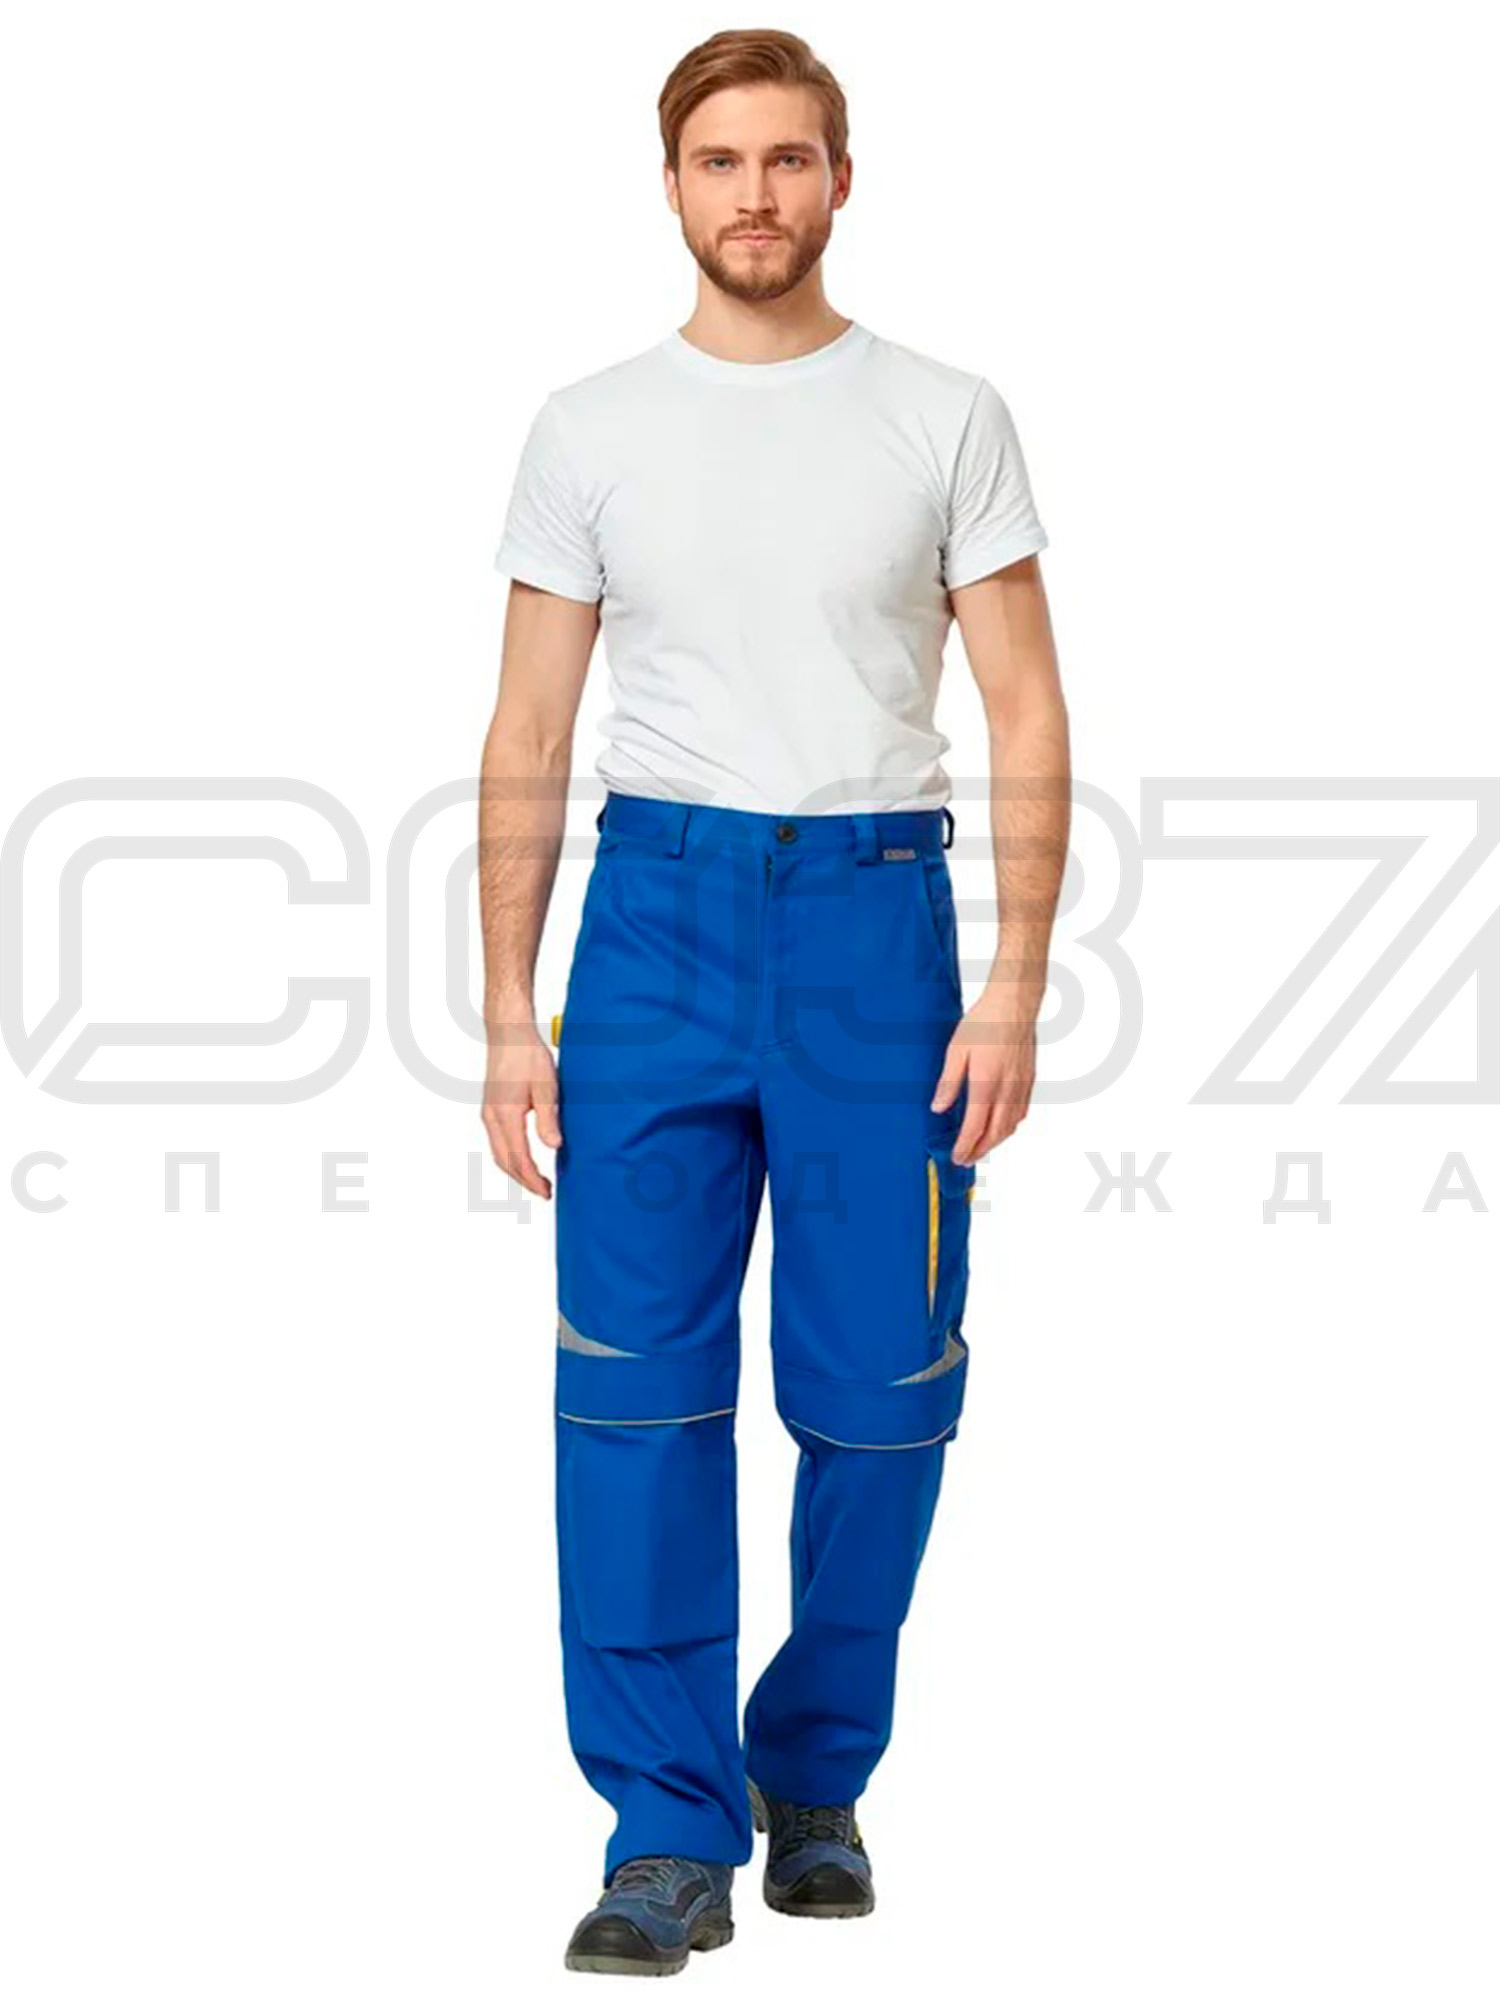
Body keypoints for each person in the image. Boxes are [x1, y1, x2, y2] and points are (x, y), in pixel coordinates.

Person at [478, 27, 1070, 1977]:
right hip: (651, 920)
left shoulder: (945, 415)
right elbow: (530, 732)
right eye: (720, 160)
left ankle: (812, 1773)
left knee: (884, 1389)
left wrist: (1016, 981)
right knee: (632, 1392)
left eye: (789, 158)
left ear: (841, 179)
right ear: (671, 185)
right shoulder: (588, 427)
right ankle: (666, 1827)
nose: (756, 194)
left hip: (873, 932)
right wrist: (505, 1007)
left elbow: (1027, 708)